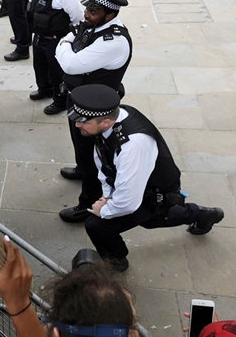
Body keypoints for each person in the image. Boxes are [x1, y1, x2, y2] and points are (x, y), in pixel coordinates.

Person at [68, 84, 225, 271]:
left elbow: (128, 201)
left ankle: (116, 261)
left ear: (106, 123)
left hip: (152, 192)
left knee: (98, 225)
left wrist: (103, 210)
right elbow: (102, 161)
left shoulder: (133, 146)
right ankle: (203, 214)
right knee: (152, 220)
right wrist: (107, 196)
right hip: (137, 186)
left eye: (83, 121)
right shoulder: (113, 117)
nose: (77, 124)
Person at [55, 0, 133, 224]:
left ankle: (88, 203)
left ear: (110, 15)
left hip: (95, 112)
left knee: (93, 157)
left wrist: (63, 45)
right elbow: (74, 34)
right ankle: (81, 169)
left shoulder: (112, 41)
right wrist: (68, 43)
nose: (86, 14)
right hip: (79, 99)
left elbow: (70, 64)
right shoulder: (94, 25)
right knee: (80, 145)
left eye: (93, 11)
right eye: (88, 8)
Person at [28, 0, 83, 115]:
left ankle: (60, 100)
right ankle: (44, 88)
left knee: (56, 71)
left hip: (55, 37)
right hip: (39, 34)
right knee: (39, 65)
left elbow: (77, 15)